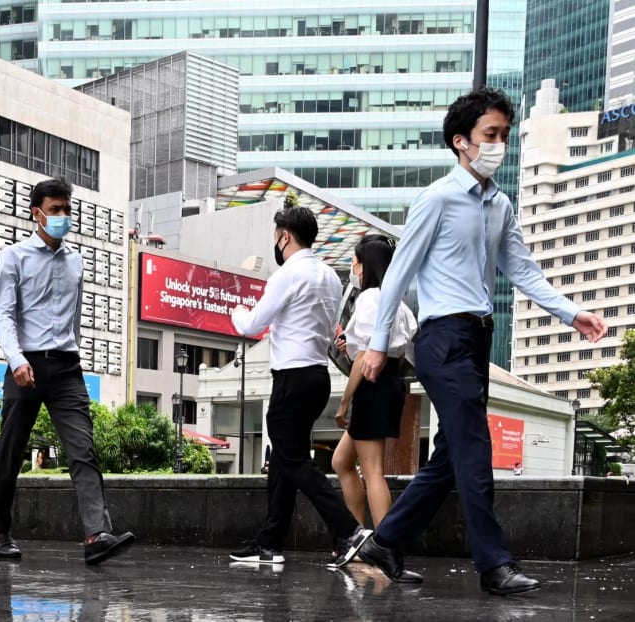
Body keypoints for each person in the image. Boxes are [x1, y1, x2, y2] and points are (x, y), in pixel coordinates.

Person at [357, 86, 608, 595]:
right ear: (461, 142)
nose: (499, 145)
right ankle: (493, 564)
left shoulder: (500, 204)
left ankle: (385, 542)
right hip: (442, 340)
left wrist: (572, 313)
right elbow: (398, 275)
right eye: (490, 135)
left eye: (504, 136)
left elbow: (522, 270)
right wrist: (378, 343)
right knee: (474, 450)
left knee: (452, 454)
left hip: (476, 341)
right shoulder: (437, 199)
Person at [0, 177, 134, 564]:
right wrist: (17, 359)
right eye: (55, 210)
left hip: (67, 368)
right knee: (10, 453)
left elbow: (75, 317)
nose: (63, 216)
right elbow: (2, 313)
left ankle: (96, 535)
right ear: (37, 213)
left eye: (67, 209)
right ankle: (0, 530)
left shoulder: (76, 262)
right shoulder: (14, 256)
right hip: (26, 364)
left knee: (83, 450)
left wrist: (73, 354)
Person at [228, 206, 370, 568]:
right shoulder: (329, 276)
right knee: (282, 460)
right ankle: (269, 543)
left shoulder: (287, 274)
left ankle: (349, 530)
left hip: (291, 377)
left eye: (276, 237)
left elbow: (252, 324)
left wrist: (236, 311)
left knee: (291, 460)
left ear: (285, 236)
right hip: (317, 377)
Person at [331, 235, 417, 533]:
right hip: (390, 383)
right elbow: (392, 351)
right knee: (341, 461)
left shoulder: (369, 299)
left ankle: (382, 548)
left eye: (355, 262)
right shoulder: (399, 304)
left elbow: (365, 357)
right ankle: (358, 537)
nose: (353, 269)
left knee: (373, 471)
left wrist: (344, 404)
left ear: (366, 265)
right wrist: (353, 349)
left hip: (372, 386)